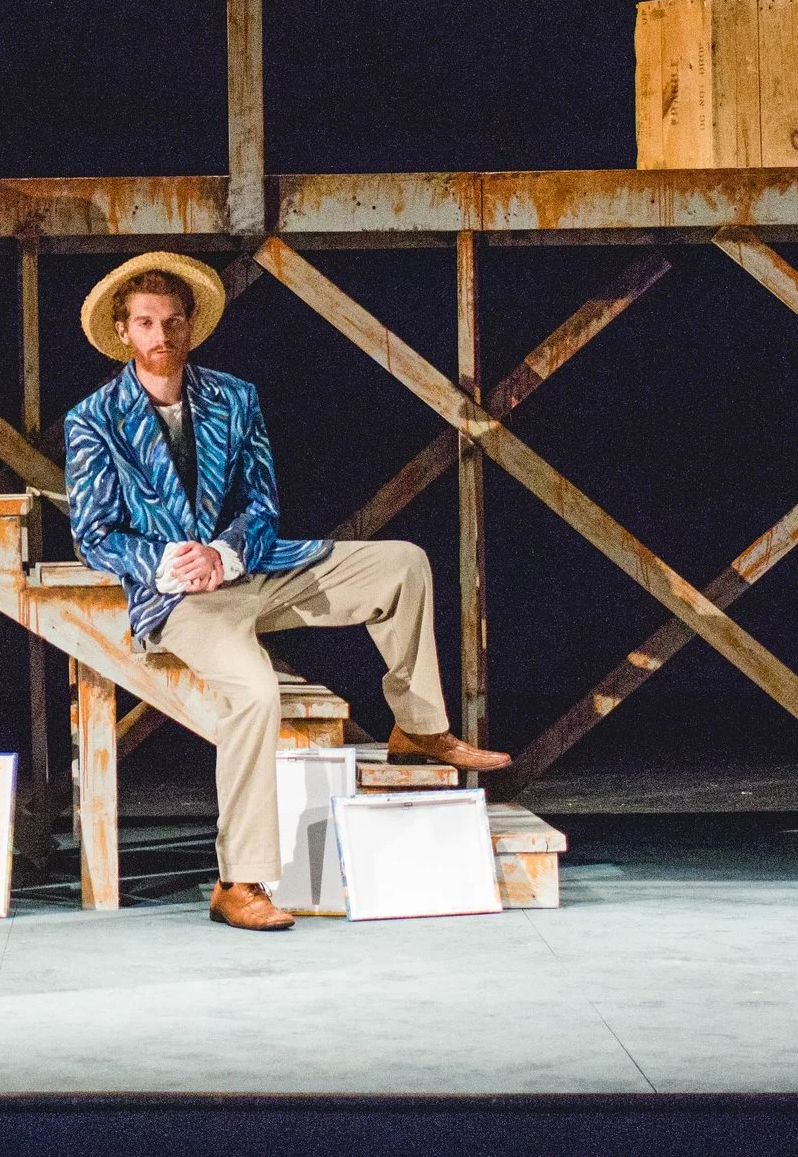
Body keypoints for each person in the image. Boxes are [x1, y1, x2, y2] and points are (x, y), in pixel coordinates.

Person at [63, 254, 511, 933]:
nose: (161, 334)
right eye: (147, 322)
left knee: (402, 564)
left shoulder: (234, 398)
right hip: (181, 600)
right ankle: (239, 880)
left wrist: (226, 551)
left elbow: (264, 501)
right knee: (255, 691)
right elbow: (93, 533)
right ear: (125, 332)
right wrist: (168, 559)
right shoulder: (93, 418)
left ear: (191, 328)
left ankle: (419, 727)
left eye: (173, 321)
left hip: (255, 570)